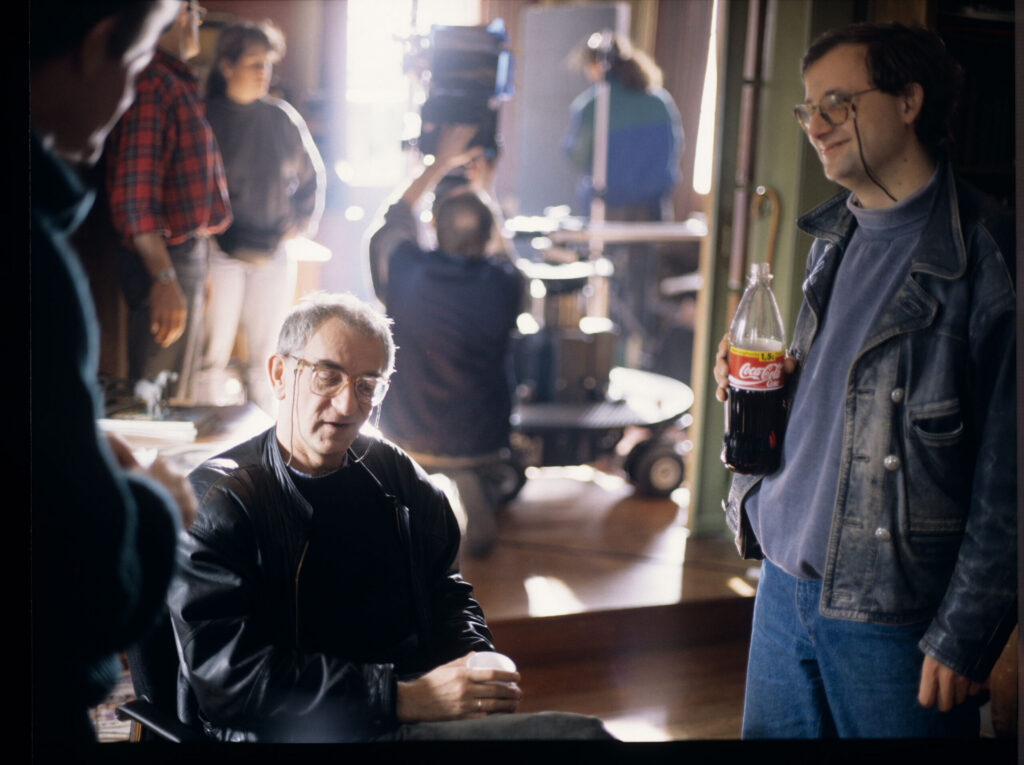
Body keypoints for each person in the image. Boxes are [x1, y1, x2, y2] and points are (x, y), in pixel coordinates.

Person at [713, 22, 1016, 738]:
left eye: (838, 103)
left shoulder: (990, 256)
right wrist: (766, 391)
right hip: (781, 585)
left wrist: (969, 629)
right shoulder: (835, 237)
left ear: (910, 101)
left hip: (894, 614)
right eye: (807, 107)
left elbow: (1012, 478)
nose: (815, 125)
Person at [166, 292, 611, 742]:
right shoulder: (220, 499)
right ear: (281, 374)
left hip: (404, 707)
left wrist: (474, 660)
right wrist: (401, 697)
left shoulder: (392, 473)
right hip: (294, 730)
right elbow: (225, 680)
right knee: (583, 738)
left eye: (366, 385)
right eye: (328, 377)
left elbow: (445, 589)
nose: (347, 406)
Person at [30, 0, 198, 744]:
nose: (129, 94)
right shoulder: (31, 261)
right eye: (131, 68)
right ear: (92, 47)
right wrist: (151, 502)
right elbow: (91, 592)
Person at [368, 125, 525, 558]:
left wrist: (437, 165)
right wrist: (484, 191)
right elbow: (508, 259)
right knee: (473, 463)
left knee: (406, 473)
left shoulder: (406, 271)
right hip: (480, 437)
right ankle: (472, 484)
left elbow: (392, 217)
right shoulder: (504, 283)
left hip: (407, 430)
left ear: (434, 228)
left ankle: (412, 504)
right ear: (487, 234)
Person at [195, 19, 326, 416]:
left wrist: (301, 222)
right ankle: (203, 439)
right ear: (226, 66)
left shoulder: (281, 118)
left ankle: (264, 443)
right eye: (254, 63)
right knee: (211, 353)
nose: (262, 73)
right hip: (219, 250)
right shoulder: (206, 117)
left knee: (269, 353)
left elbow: (312, 177)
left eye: (267, 64)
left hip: (273, 249)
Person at [104, 0, 231, 404]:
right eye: (196, 12)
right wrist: (164, 279)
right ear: (179, 13)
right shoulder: (153, 80)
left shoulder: (174, 79)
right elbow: (135, 195)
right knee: (155, 405)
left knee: (174, 397)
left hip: (183, 255)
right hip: (162, 260)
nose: (199, 21)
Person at [562, 31, 683, 367]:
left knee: (607, 289)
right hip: (649, 215)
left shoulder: (591, 106)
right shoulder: (659, 101)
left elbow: (576, 155)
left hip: (608, 213)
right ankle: (640, 358)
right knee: (641, 291)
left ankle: (608, 364)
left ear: (596, 66)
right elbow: (672, 154)